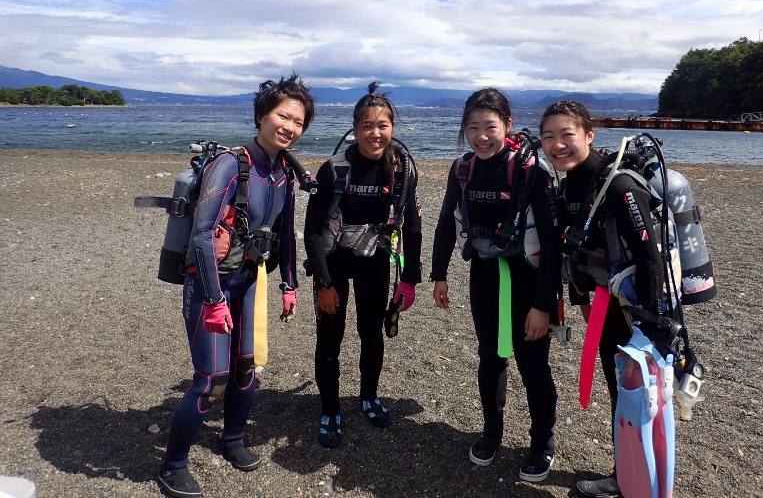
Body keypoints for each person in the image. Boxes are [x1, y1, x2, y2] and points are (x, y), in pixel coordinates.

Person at [157, 75, 315, 498]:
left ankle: (232, 439)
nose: (290, 127)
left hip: (249, 280)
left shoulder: (283, 171)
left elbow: (286, 232)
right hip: (211, 284)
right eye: (283, 116)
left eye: (298, 122)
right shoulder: (230, 165)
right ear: (262, 116)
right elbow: (201, 234)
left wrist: (289, 285)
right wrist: (213, 300)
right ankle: (172, 465)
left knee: (246, 369)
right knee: (213, 378)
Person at [431, 88, 561, 483]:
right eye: (472, 127)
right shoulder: (462, 169)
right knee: (491, 356)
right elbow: (445, 223)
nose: (481, 136)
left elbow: (552, 245)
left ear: (507, 124)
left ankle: (542, 443)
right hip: (485, 274)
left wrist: (543, 305)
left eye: (490, 126)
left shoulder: (532, 171)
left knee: (532, 364)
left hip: (529, 278)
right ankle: (491, 433)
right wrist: (439, 274)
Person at [540, 100, 664, 498]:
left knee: (638, 397)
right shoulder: (568, 185)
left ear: (589, 135)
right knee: (622, 392)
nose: (557, 145)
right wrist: (579, 300)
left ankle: (641, 481)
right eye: (548, 137)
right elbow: (574, 250)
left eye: (567, 134)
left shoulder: (618, 184)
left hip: (636, 312)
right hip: (604, 305)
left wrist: (649, 324)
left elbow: (650, 257)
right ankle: (627, 476)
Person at [303, 82, 422, 449]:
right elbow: (312, 230)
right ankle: (330, 409)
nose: (375, 133)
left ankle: (368, 397)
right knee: (330, 337)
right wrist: (324, 283)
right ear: (355, 129)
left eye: (382, 125)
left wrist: (410, 280)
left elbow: (412, 226)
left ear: (392, 127)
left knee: (371, 334)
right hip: (334, 262)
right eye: (367, 126)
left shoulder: (403, 169)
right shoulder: (334, 169)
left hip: (375, 260)